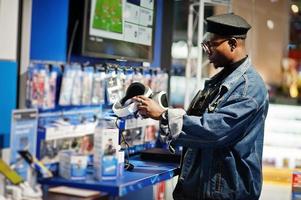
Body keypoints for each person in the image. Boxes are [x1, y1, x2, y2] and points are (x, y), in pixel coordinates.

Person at [133, 13, 269, 200]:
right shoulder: (217, 83)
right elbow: (197, 124)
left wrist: (164, 114)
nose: (207, 51)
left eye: (211, 45)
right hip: (200, 189)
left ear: (232, 44)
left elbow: (215, 130)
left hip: (225, 193)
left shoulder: (249, 88)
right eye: (205, 45)